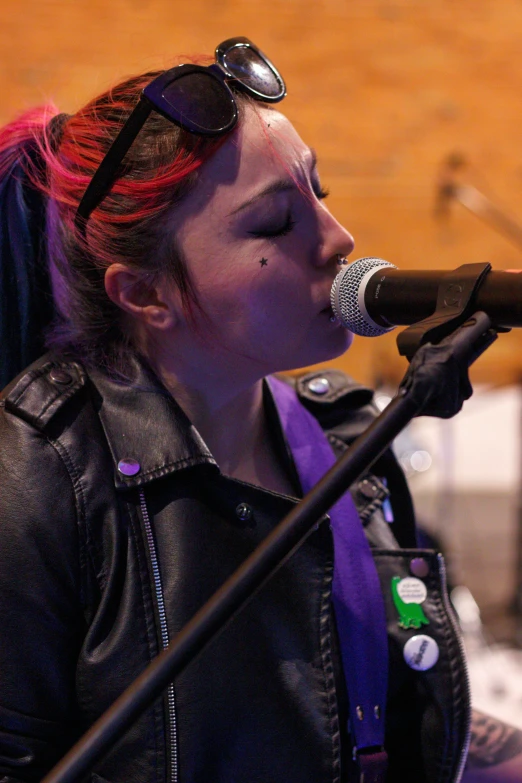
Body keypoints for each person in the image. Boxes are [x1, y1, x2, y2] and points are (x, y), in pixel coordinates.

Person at [0, 36, 520, 783]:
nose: (338, 240)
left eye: (320, 193)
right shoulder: (40, 482)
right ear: (145, 294)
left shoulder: (347, 445)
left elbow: (390, 713)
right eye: (276, 223)